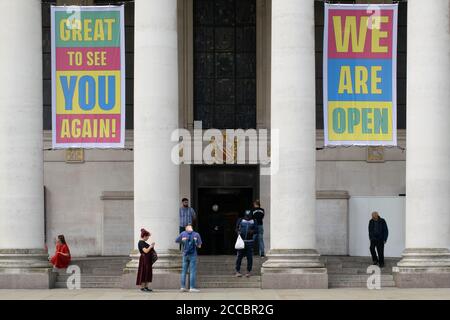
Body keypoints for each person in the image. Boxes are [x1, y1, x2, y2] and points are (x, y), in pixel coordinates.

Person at [176, 224, 202, 293]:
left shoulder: (183, 233)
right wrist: (195, 242)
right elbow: (199, 246)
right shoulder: (196, 234)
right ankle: (192, 287)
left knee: (184, 271)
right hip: (193, 254)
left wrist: (183, 241)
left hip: (185, 254)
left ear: (186, 228)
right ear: (192, 228)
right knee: (192, 271)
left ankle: (182, 287)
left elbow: (176, 241)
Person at [235, 210, 256, 277]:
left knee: (249, 258)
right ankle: (237, 271)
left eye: (248, 217)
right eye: (246, 216)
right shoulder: (240, 220)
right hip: (242, 242)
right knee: (239, 257)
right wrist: (238, 232)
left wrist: (252, 231)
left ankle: (248, 272)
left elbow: (257, 230)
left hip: (249, 242)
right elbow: (236, 228)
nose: (247, 218)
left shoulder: (254, 221)